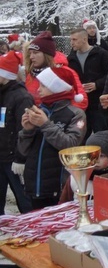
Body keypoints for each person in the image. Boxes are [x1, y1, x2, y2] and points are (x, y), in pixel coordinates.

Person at [17, 66, 87, 209]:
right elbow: (23, 151)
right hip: (34, 186)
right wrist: (27, 131)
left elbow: (70, 145)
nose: (38, 89)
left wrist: (45, 124)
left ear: (56, 87)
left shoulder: (76, 114)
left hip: (58, 187)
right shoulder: (38, 111)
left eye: (43, 85)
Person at [0, 52, 34, 214]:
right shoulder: (3, 93)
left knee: (24, 201)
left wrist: (20, 157)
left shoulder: (21, 97)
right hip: (2, 155)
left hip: (13, 159)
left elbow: (26, 129)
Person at [25, 32, 88, 111]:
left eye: (35, 53)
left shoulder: (64, 72)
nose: (31, 57)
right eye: (30, 53)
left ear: (46, 54)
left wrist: (60, 118)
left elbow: (81, 101)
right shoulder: (31, 74)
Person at [67, 28, 108, 136]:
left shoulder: (101, 54)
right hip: (80, 107)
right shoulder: (70, 58)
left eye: (74, 39)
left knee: (101, 134)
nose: (71, 43)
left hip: (98, 104)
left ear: (84, 39)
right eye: (71, 40)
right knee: (80, 135)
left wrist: (97, 84)